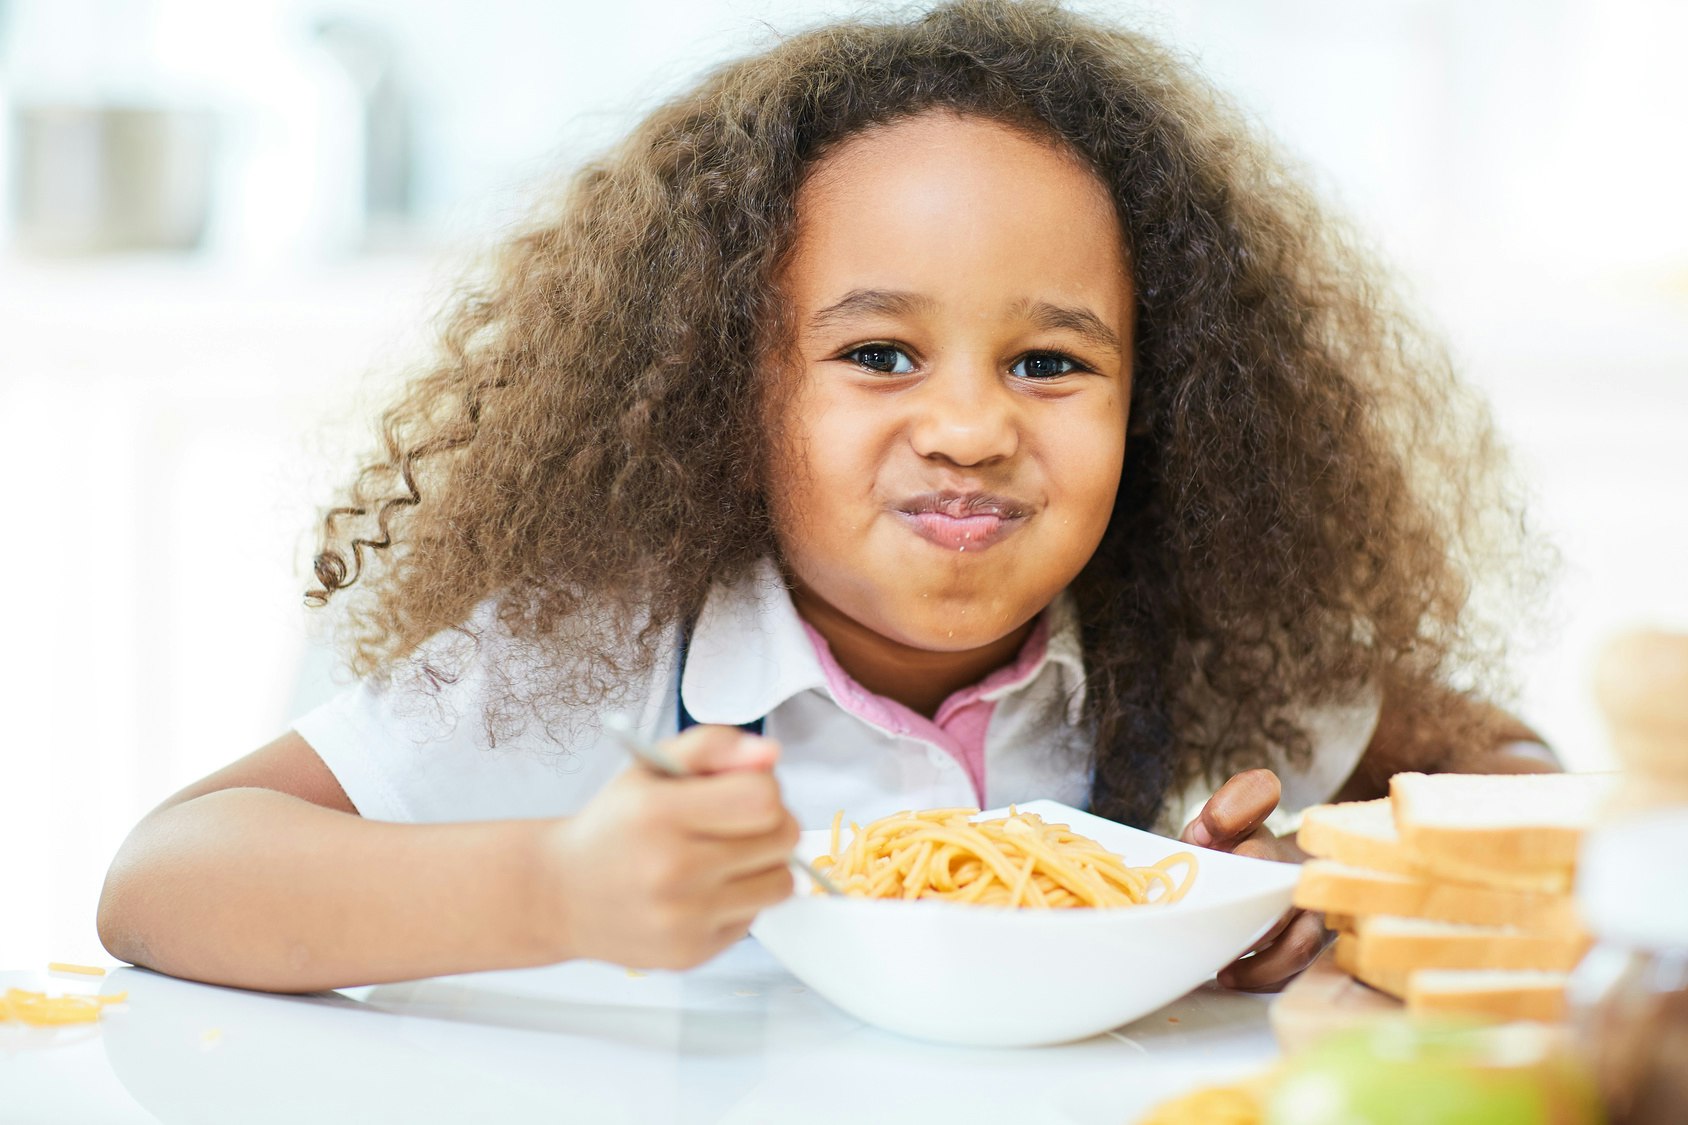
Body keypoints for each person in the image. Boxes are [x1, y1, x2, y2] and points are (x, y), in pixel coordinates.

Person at [98, 0, 1557, 996]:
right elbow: (165, 877)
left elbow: (1509, 778)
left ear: (1160, 406)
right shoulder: (601, 656)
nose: (973, 426)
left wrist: (1317, 896)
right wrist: (556, 886)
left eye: (1050, 360)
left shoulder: (1224, 655)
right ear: (728, 390)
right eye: (879, 353)